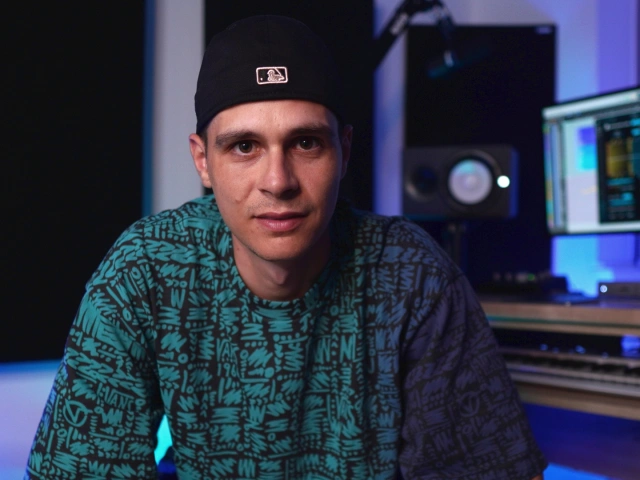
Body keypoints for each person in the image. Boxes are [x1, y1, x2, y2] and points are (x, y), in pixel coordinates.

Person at [25, 14, 547, 480]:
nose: (278, 181)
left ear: (344, 150)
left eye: (305, 143)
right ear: (203, 161)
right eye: (244, 146)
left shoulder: (412, 273)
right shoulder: (146, 269)